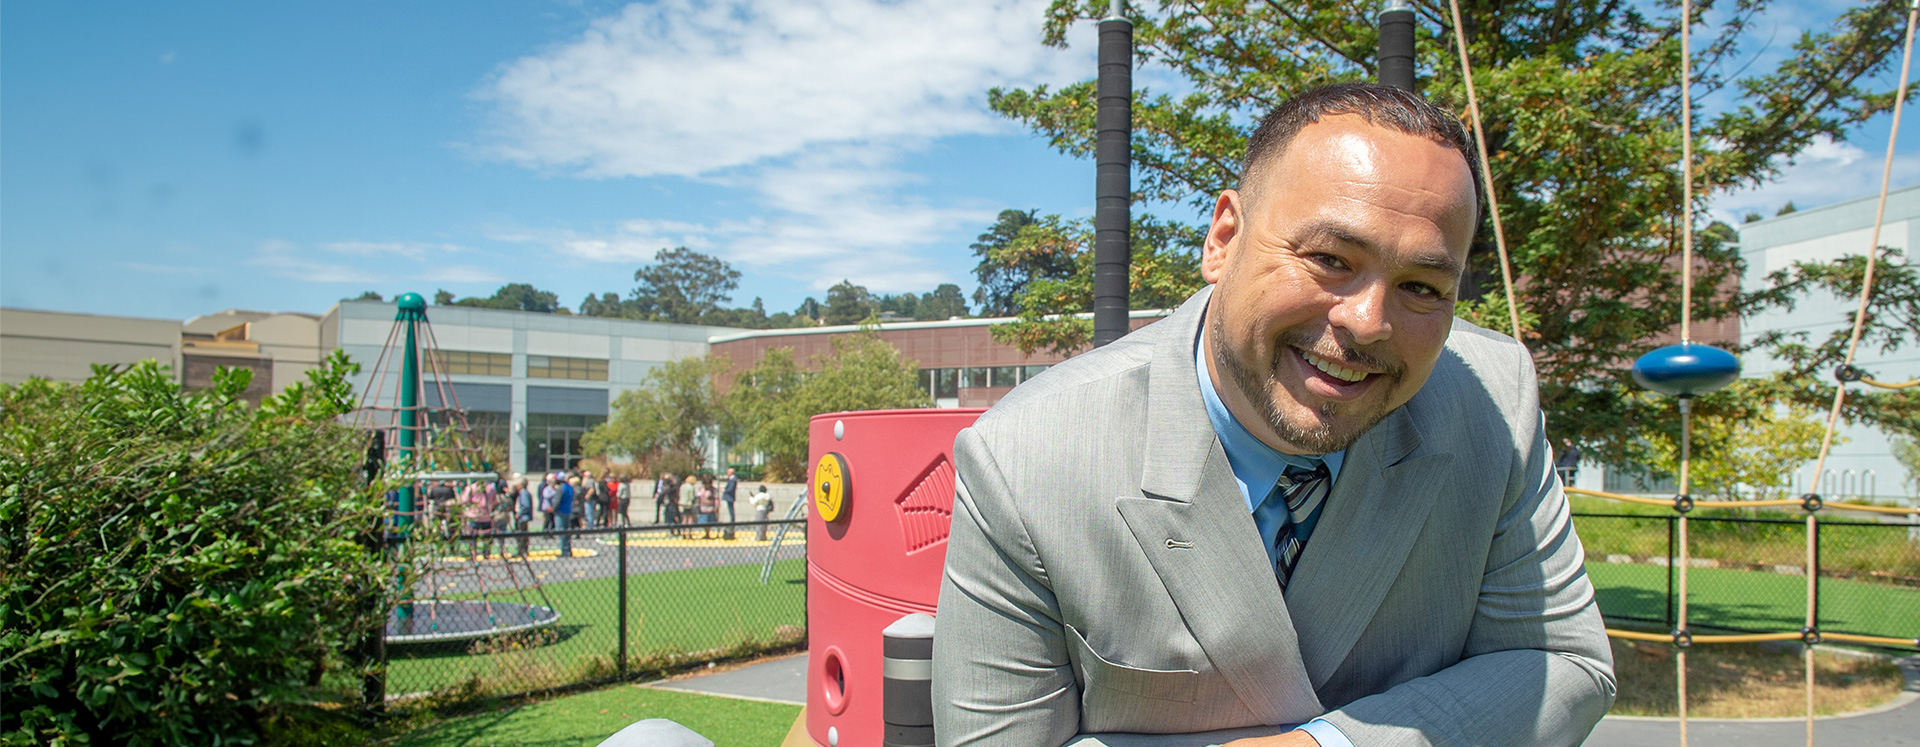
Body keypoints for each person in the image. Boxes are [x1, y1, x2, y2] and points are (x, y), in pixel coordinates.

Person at [931, 84, 1614, 747]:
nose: (1369, 322)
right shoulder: (1027, 458)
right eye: (1329, 259)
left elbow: (1562, 664)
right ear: (1224, 238)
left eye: (1421, 287)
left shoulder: (1493, 401)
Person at [556, 473, 576, 558]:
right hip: (568, 510)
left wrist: (554, 509)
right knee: (567, 532)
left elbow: (558, 500)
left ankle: (564, 550)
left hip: (561, 511)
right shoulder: (570, 487)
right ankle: (568, 549)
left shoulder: (562, 487)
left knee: (561, 531)